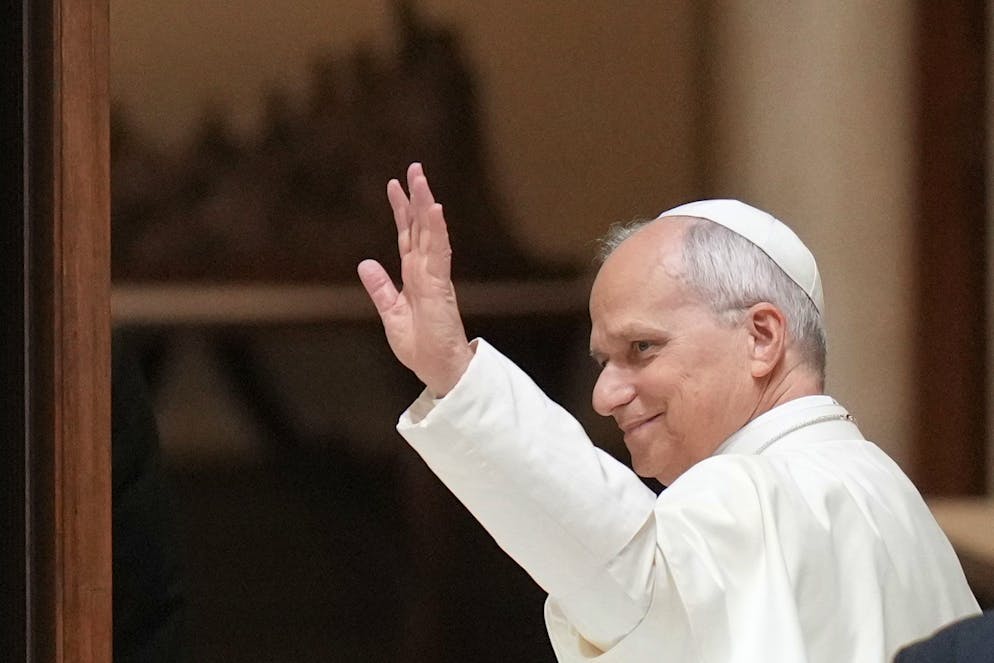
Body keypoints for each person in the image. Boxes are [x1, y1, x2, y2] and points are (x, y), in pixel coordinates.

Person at [357, 163, 980, 662]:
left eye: (642, 349)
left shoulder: (749, 491)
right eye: (603, 361)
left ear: (762, 337)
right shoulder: (888, 490)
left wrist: (457, 378)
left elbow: (624, 567)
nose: (606, 395)